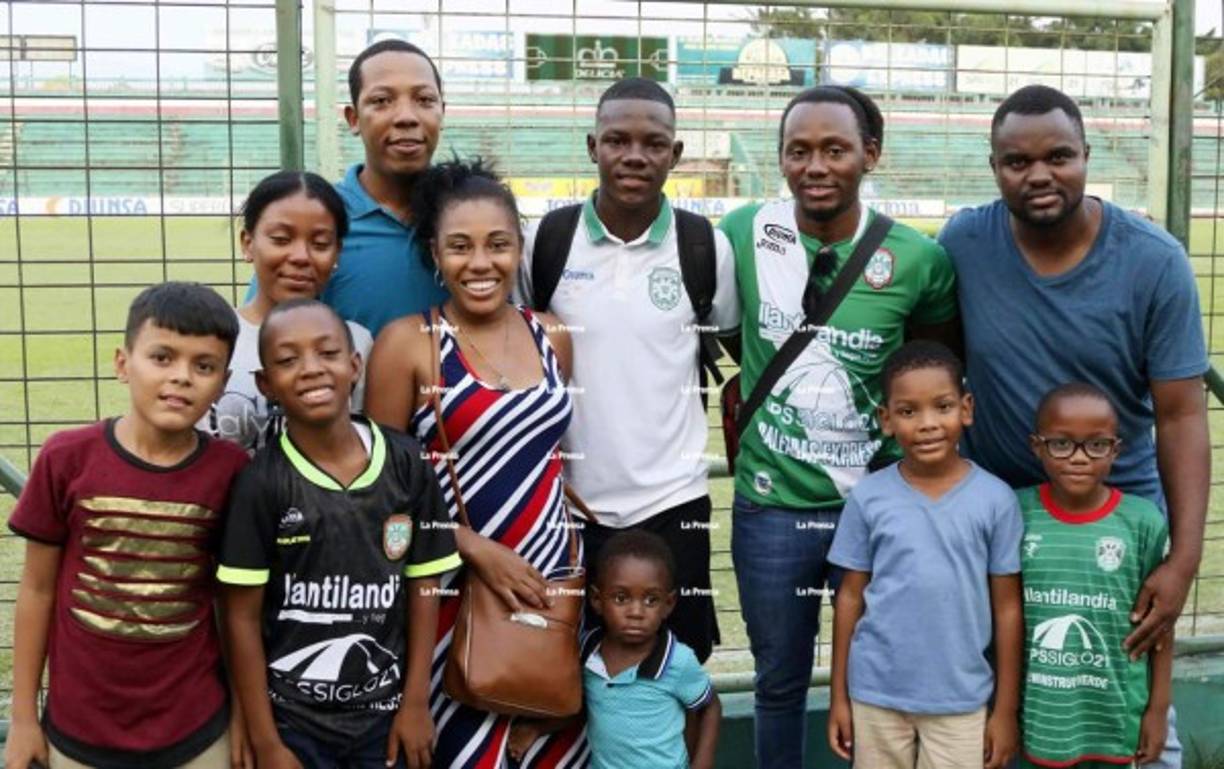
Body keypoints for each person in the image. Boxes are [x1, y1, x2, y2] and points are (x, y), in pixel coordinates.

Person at [939, 84, 1208, 767]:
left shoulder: (1154, 260)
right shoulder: (966, 242)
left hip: (1113, 522)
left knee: (1120, 685)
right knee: (1001, 700)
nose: (1038, 175)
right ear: (994, 165)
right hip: (1000, 526)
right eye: (1015, 161)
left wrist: (1181, 559)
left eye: (1059, 155)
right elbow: (934, 378)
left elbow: (1181, 414)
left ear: (1087, 155)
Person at [716, 85, 959, 768]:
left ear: (870, 155)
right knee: (779, 682)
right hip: (772, 508)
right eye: (798, 150)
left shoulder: (917, 258)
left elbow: (934, 365)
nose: (814, 166)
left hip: (882, 508)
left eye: (834, 149)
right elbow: (733, 338)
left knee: (883, 682)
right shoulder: (740, 233)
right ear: (781, 158)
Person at [364, 159, 586, 768]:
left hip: (549, 590)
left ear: (519, 249)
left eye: (498, 245)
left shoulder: (553, 334)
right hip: (451, 591)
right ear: (434, 253)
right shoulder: (408, 343)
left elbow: (545, 456)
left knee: (550, 750)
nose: (480, 263)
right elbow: (380, 495)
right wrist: (475, 550)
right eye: (459, 247)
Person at [515, 77, 739, 664]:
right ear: (593, 147)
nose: (634, 155)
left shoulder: (703, 247)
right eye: (617, 140)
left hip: (676, 500)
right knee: (568, 672)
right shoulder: (547, 242)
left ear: (676, 153)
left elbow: (731, 341)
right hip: (569, 506)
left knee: (681, 670)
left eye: (653, 143)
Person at [5, 282, 250, 769]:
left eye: (203, 366)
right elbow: (36, 590)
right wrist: (23, 718)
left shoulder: (232, 471)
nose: (182, 377)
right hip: (77, 732)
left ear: (222, 384)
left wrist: (243, 716)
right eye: (162, 357)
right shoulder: (67, 458)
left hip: (196, 732)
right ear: (123, 363)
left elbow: (234, 606)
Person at [217, 299, 461, 769]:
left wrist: (414, 703)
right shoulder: (261, 483)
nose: (310, 370)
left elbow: (424, 585)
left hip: (383, 722)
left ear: (355, 366)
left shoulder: (407, 463)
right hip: (293, 726)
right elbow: (241, 619)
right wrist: (266, 740)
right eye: (288, 360)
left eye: (327, 353)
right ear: (266, 385)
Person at [826, 340, 1022, 769]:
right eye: (909, 411)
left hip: (961, 697)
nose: (928, 424)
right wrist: (839, 695)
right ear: (887, 420)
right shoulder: (868, 498)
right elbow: (849, 597)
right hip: (876, 694)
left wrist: (1004, 711)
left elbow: (1007, 608)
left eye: (943, 406)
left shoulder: (996, 500)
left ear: (966, 409)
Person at [245, 39, 447, 336]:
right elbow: (263, 337)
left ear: (443, 111)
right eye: (381, 101)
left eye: (425, 100)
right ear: (353, 119)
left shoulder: (471, 218)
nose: (406, 116)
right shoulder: (317, 222)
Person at [1018, 383, 1172, 768]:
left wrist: (1157, 709)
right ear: (1037, 446)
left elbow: (1161, 624)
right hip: (1042, 712)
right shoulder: (1015, 513)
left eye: (1096, 445)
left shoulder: (1143, 523)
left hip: (1115, 712)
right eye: (1061, 444)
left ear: (1116, 450)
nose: (1079, 458)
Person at [513, 530, 721, 769]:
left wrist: (702, 762)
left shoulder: (677, 661)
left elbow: (709, 707)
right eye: (621, 598)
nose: (636, 612)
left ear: (669, 604)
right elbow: (581, 706)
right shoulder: (588, 651)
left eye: (651, 600)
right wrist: (536, 729)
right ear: (597, 600)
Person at [206, 170, 373, 452]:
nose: (300, 257)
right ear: (248, 243)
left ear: (337, 253)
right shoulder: (215, 337)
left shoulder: (355, 341)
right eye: (281, 240)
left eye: (320, 244)